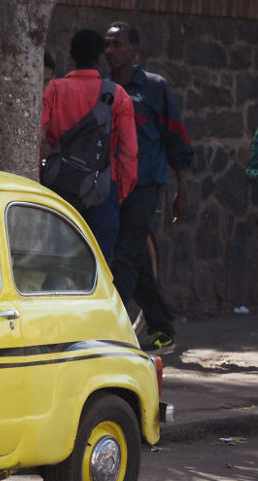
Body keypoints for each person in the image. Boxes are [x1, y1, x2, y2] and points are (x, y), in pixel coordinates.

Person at [105, 21, 193, 353]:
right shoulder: (105, 88)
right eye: (107, 45)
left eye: (117, 44)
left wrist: (181, 187)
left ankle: (114, 333)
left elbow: (175, 137)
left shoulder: (155, 88)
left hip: (145, 185)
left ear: (134, 49)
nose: (110, 51)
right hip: (112, 187)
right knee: (134, 257)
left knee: (125, 256)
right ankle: (161, 326)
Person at [40, 29, 137, 262]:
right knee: (97, 266)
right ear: (99, 58)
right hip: (102, 187)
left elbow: (36, 133)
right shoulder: (117, 95)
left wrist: (42, 174)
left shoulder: (54, 89)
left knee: (57, 262)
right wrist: (119, 192)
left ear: (72, 55)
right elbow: (129, 152)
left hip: (60, 187)